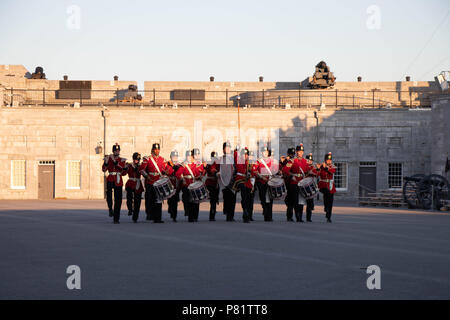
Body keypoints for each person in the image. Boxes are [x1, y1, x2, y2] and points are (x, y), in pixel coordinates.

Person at [139, 143, 173, 223]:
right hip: (150, 181)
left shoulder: (162, 159)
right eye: (155, 149)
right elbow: (141, 169)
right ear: (152, 150)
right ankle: (150, 215)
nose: (157, 151)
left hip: (158, 182)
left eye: (158, 149)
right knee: (150, 199)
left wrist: (169, 170)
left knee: (159, 199)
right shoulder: (148, 159)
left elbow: (167, 169)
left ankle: (158, 218)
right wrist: (147, 176)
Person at [176, 148, 205, 222]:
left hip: (194, 185)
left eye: (190, 156)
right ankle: (190, 216)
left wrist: (200, 176)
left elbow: (199, 173)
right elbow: (178, 174)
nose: (189, 158)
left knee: (196, 201)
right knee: (189, 201)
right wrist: (182, 179)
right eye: (188, 156)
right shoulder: (184, 165)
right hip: (187, 185)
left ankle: (195, 216)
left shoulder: (195, 165)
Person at [283, 144, 309, 222]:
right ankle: (290, 216)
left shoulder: (305, 161)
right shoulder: (292, 161)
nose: (300, 153)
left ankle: (299, 217)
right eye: (299, 152)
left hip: (302, 182)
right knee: (293, 200)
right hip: (294, 182)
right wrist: (291, 176)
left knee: (301, 200)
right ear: (296, 152)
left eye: (301, 152)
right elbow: (285, 170)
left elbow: (307, 170)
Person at [102, 143, 126, 224]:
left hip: (118, 179)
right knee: (108, 195)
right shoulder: (109, 158)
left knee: (118, 200)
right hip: (111, 178)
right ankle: (110, 208)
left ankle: (116, 218)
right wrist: (105, 162)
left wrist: (116, 163)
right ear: (113, 151)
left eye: (118, 150)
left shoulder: (122, 160)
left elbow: (123, 170)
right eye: (115, 150)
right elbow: (104, 169)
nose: (117, 152)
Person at [233, 148, 257, 223]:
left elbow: (252, 172)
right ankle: (245, 211)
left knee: (249, 196)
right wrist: (236, 150)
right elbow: (235, 155)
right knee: (244, 192)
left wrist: (254, 174)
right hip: (240, 179)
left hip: (247, 180)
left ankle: (247, 213)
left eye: (246, 154)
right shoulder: (239, 160)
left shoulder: (249, 163)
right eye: (244, 154)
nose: (245, 156)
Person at [255, 146, 278, 222]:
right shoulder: (258, 161)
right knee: (262, 197)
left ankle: (269, 216)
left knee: (270, 199)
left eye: (267, 152)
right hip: (261, 181)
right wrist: (261, 177)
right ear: (262, 153)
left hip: (269, 181)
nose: (265, 153)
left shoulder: (272, 161)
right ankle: (265, 209)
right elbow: (255, 171)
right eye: (264, 152)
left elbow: (275, 170)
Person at [217, 141, 237, 222]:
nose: (228, 149)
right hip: (224, 181)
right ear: (223, 149)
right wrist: (217, 173)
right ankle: (228, 214)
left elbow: (236, 168)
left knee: (233, 199)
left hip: (232, 181)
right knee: (227, 199)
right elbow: (217, 168)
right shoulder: (221, 159)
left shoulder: (233, 158)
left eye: (229, 147)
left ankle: (231, 215)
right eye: (226, 148)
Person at [123, 152, 144, 223]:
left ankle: (135, 217)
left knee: (137, 201)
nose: (136, 161)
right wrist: (125, 168)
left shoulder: (140, 166)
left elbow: (143, 173)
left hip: (138, 183)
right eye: (135, 159)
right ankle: (130, 209)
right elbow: (123, 173)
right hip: (130, 182)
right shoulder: (129, 165)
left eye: (138, 160)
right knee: (129, 197)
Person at [318, 152, 336, 223]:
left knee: (330, 201)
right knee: (326, 194)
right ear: (325, 160)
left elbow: (333, 171)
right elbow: (318, 174)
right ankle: (326, 207)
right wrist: (319, 168)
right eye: (328, 160)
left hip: (330, 184)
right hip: (323, 184)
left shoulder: (332, 166)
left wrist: (327, 168)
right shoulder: (322, 166)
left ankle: (329, 216)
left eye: (330, 160)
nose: (329, 161)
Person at [281, 148, 296, 221]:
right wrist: (285, 160)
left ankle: (290, 214)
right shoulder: (286, 161)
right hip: (287, 181)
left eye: (293, 154)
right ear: (288, 154)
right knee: (289, 199)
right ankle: (289, 215)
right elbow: (283, 168)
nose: (292, 156)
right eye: (290, 154)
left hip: (293, 182)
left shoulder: (294, 160)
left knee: (291, 199)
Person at [167, 150, 182, 222]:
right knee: (170, 200)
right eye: (173, 156)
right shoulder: (168, 164)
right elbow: (166, 172)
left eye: (176, 157)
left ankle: (174, 216)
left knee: (175, 201)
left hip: (176, 185)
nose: (175, 158)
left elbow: (180, 174)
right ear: (171, 157)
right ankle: (170, 208)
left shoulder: (179, 165)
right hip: (169, 185)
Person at [305, 153, 319, 222]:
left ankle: (309, 217)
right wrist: (308, 173)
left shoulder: (313, 167)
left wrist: (316, 171)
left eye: (311, 160)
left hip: (311, 185)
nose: (310, 162)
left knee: (310, 201)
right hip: (304, 185)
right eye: (308, 160)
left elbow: (317, 174)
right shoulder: (304, 166)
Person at [205, 151, 220, 221]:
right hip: (210, 183)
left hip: (216, 183)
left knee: (215, 199)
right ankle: (212, 215)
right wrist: (217, 172)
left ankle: (213, 211)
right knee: (213, 199)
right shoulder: (209, 163)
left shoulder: (218, 163)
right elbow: (212, 170)